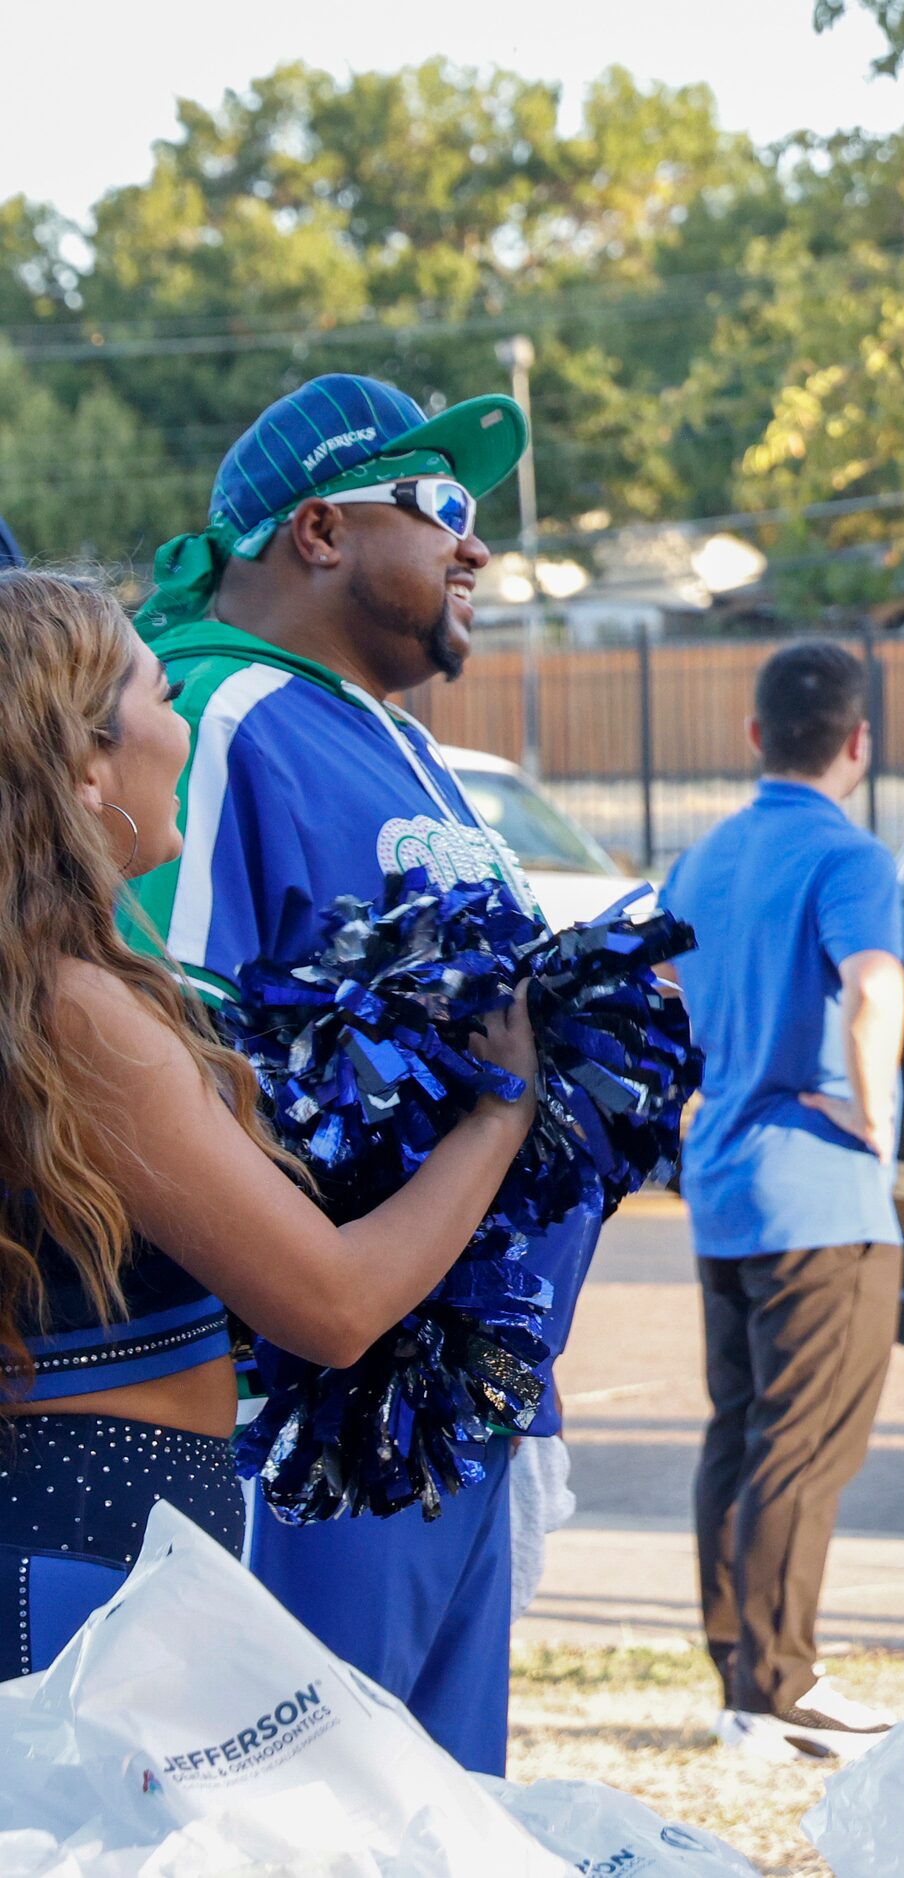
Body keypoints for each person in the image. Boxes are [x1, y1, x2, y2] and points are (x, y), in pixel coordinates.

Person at [128, 373, 595, 1776]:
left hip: (458, 1404)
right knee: (297, 1822)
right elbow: (163, 1071)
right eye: (442, 505)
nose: (477, 545)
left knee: (432, 1823)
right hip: (312, 1419)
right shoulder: (209, 715)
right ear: (319, 529)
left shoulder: (403, 743)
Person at [0, 568, 537, 1680]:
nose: (184, 730)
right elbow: (329, 1306)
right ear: (86, 762)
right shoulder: (77, 1010)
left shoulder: (52, 992)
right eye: (160, 697)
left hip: (73, 1527)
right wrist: (500, 1111)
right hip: (85, 1545)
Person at [659, 641, 904, 1763]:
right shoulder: (850, 858)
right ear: (858, 744)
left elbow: (652, 996)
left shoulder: (702, 860)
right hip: (821, 1193)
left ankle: (740, 1677)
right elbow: (873, 989)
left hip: (722, 1182)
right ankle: (780, 1690)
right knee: (804, 1449)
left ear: (756, 737)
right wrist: (875, 1118)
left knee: (743, 1433)